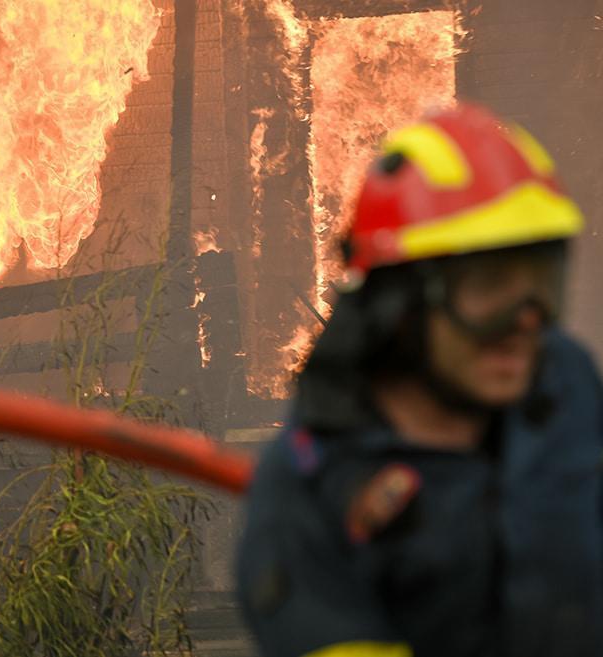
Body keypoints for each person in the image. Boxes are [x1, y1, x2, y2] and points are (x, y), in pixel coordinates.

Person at [236, 103, 603, 657]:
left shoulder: (564, 382)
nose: (526, 322)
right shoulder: (305, 500)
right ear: (401, 303)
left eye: (540, 285)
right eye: (490, 287)